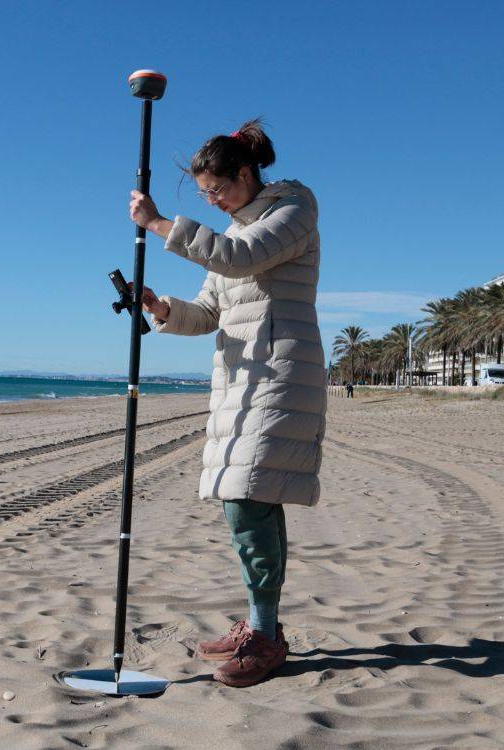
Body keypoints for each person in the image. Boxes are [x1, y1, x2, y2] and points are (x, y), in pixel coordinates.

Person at [128, 119, 326, 688]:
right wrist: (162, 309)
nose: (212, 202)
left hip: (282, 375)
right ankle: (261, 625)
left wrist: (159, 222)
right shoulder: (237, 230)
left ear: (245, 173)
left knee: (248, 500)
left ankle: (266, 636)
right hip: (242, 379)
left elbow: (239, 258)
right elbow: (209, 311)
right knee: (245, 503)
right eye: (205, 196)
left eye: (217, 190)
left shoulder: (292, 209)